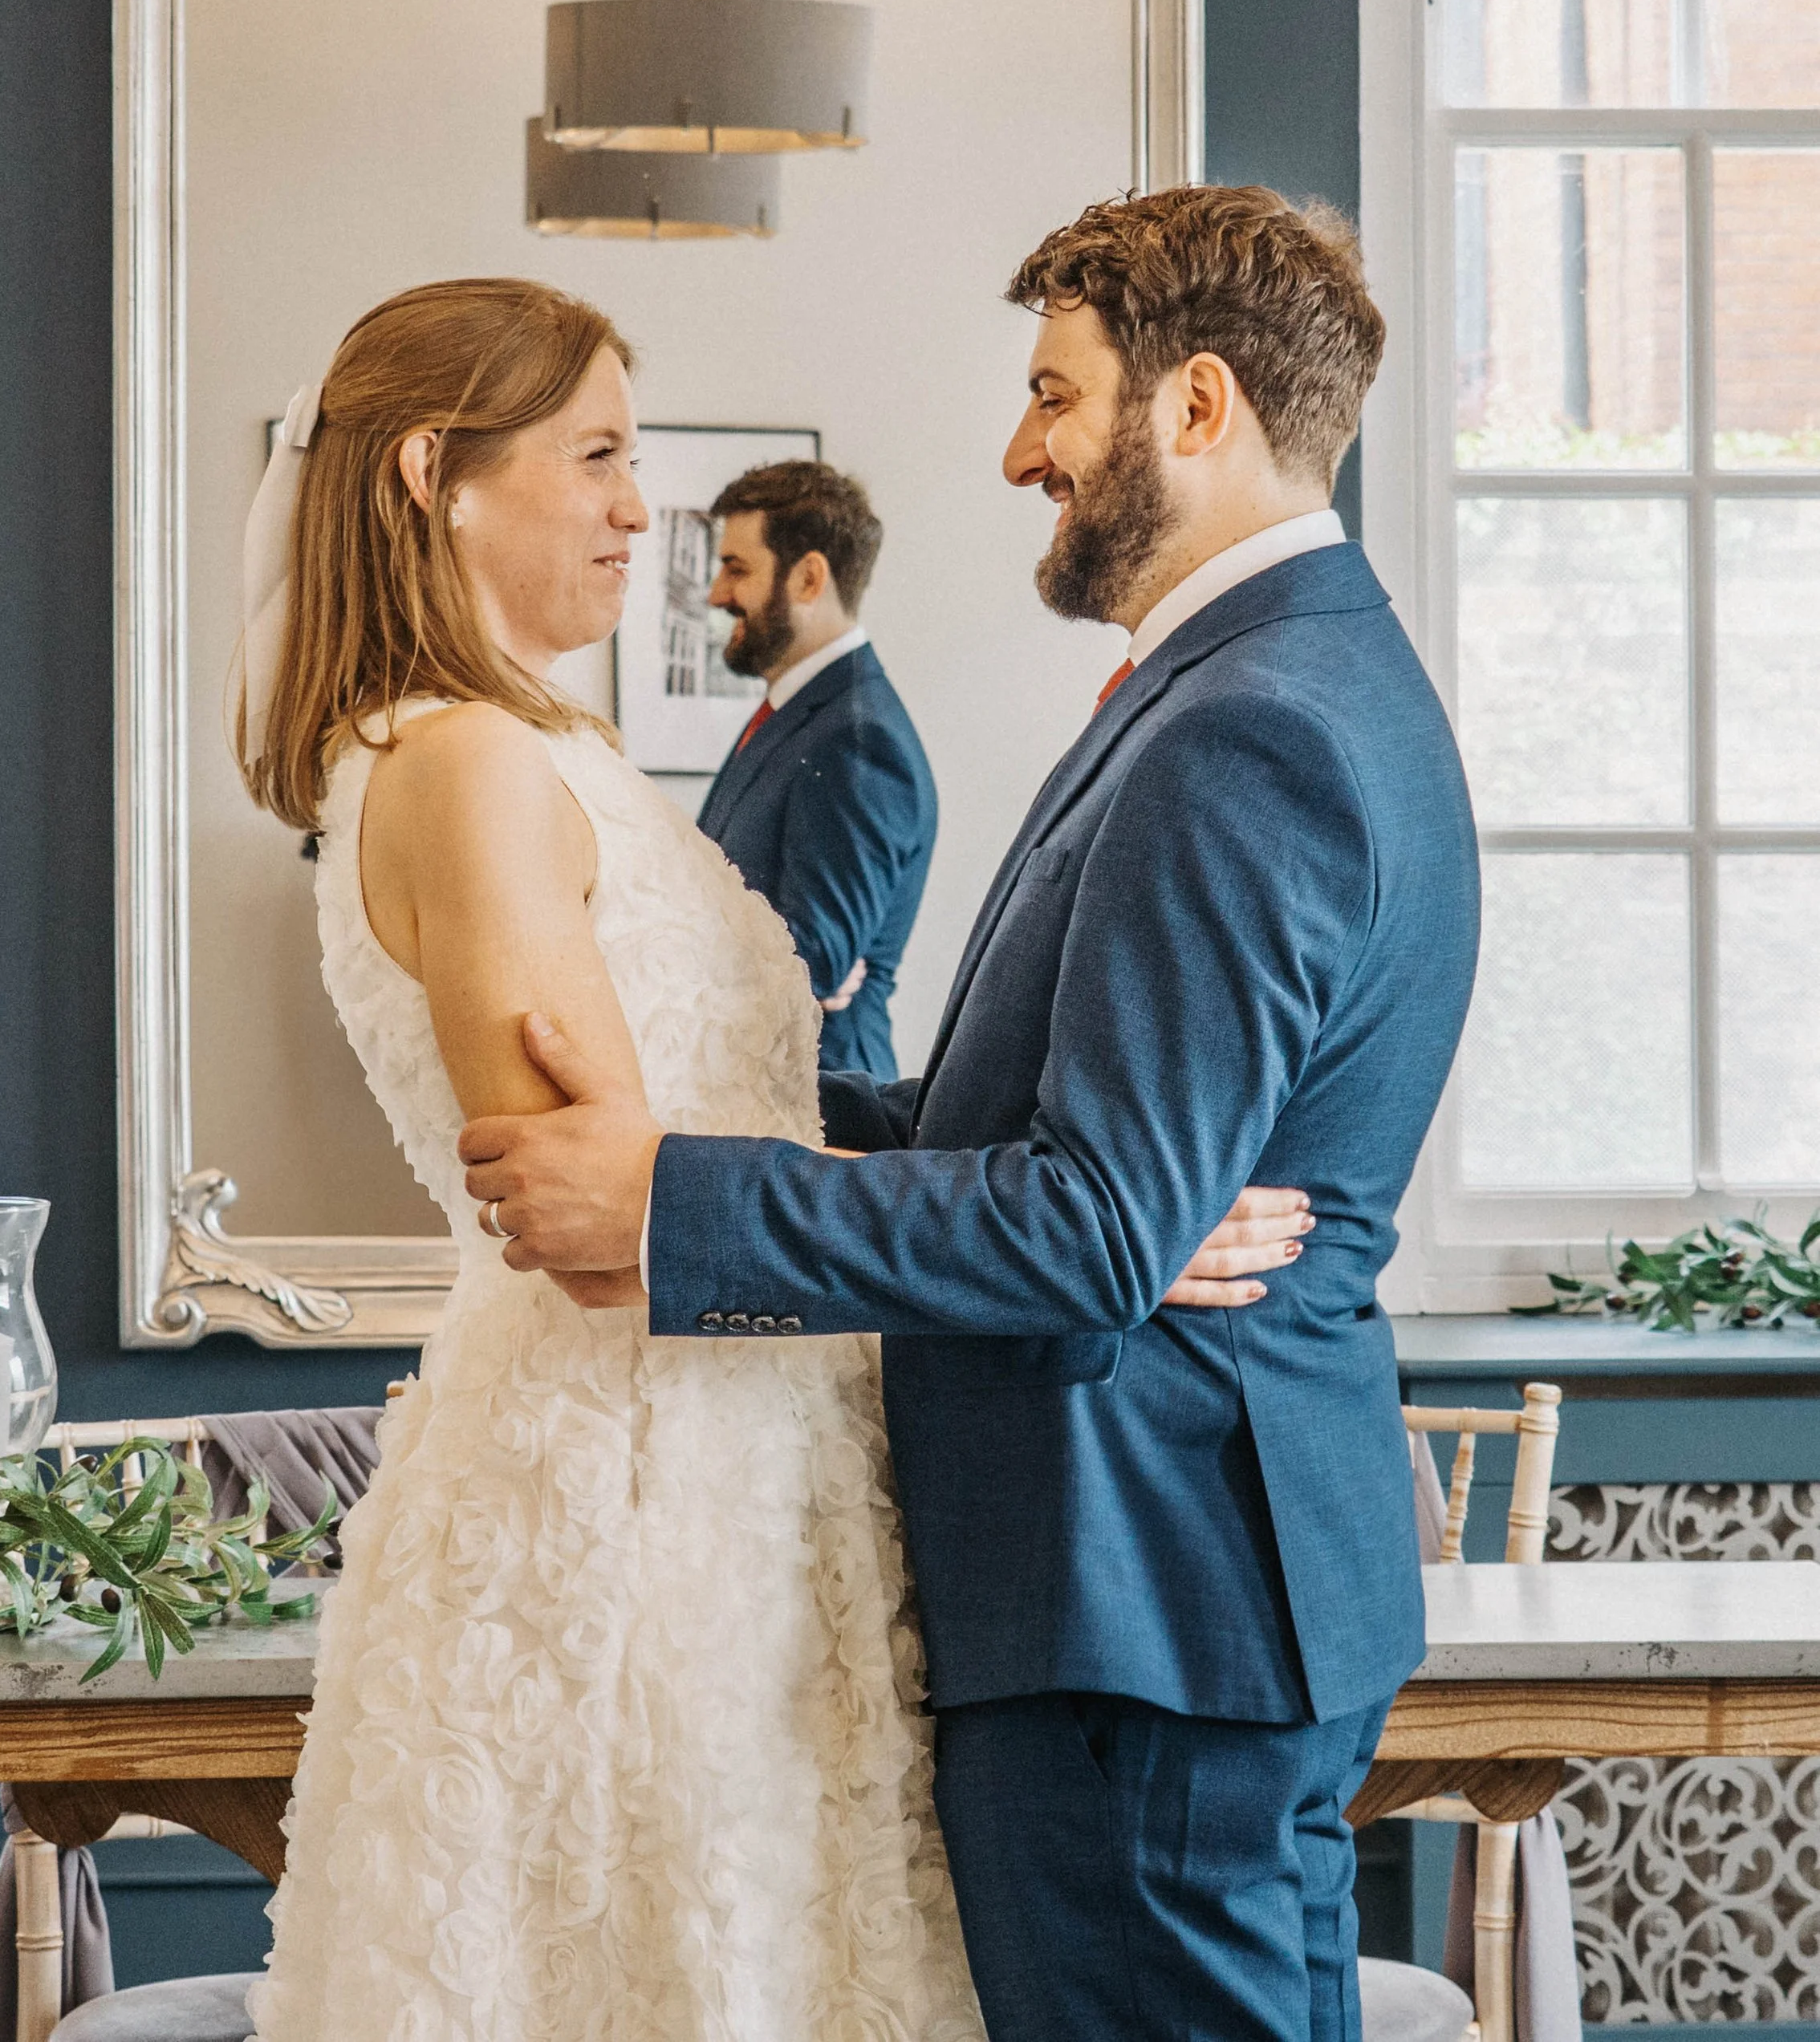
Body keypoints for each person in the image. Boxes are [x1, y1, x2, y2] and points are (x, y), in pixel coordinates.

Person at [458, 188, 1484, 2042]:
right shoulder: (1281, 681)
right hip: (1182, 1590)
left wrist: (671, 1202)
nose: (1020, 450)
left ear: (1194, 408)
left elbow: (1091, 1225)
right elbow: (1061, 1146)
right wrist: (725, 1096)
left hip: (1141, 1608)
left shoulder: (1246, 728)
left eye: (1053, 396)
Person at [232, 270, 1304, 2042]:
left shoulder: (548, 753)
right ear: (434, 469)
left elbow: (721, 1132)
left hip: (742, 1473)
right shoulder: (466, 771)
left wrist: (1098, 1211)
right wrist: (1087, 1230)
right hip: (629, 1500)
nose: (639, 509)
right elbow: (603, 1214)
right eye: (594, 457)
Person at [700, 458, 935, 1082]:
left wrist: (804, 972)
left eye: (736, 568)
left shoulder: (859, 740)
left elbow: (808, 967)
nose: (716, 594)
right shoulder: (797, 713)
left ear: (808, 578)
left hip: (817, 1110)